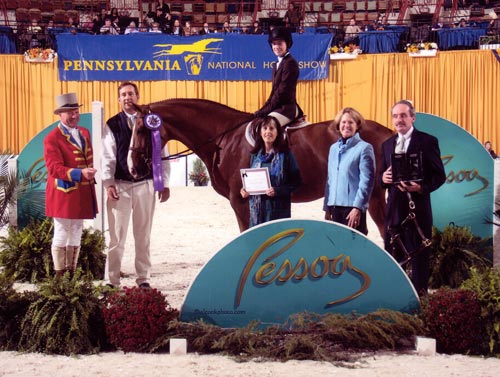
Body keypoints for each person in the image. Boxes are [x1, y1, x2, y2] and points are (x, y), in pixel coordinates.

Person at [101, 82, 171, 289]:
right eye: (123, 94)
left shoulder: (151, 122)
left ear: (137, 96)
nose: (127, 97)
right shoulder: (112, 124)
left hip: (145, 185)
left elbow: (162, 154)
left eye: (131, 93)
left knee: (143, 235)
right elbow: (107, 156)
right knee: (116, 238)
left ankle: (143, 278)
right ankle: (111, 280)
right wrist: (108, 183)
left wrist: (164, 182)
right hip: (120, 186)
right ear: (118, 99)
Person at [380, 100, 446, 296]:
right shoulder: (386, 145)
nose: (399, 120)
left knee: (419, 261)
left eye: (403, 115)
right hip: (393, 212)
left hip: (418, 211)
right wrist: (383, 178)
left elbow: (439, 176)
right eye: (395, 116)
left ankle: (420, 303)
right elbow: (382, 178)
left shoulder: (427, 141)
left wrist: (421, 187)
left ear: (412, 117)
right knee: (393, 259)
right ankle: (394, 302)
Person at [44, 92, 98, 277]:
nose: (74, 116)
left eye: (76, 111)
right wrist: (79, 173)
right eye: (69, 113)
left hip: (82, 190)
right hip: (63, 193)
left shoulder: (84, 132)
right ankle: (59, 276)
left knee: (76, 230)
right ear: (60, 114)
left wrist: (89, 172)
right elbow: (54, 169)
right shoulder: (52, 138)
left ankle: (71, 272)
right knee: (61, 231)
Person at [240, 117, 301, 227]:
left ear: (277, 133)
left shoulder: (286, 155)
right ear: (260, 132)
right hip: (257, 216)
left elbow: (297, 183)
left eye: (272, 128)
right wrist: (245, 190)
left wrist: (278, 190)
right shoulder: (254, 157)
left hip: (278, 213)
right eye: (265, 128)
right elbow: (250, 183)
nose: (268, 131)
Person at [323, 108, 376, 235]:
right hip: (334, 208)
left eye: (351, 122)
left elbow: (367, 182)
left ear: (357, 125)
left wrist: (358, 208)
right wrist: (327, 207)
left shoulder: (364, 148)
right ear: (338, 125)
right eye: (343, 122)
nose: (346, 125)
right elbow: (330, 180)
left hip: (352, 210)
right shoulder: (333, 148)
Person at [254, 27, 304, 128]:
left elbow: (282, 93)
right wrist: (262, 109)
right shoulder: (276, 64)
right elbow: (274, 93)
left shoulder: (290, 63)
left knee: (267, 127)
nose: (276, 46)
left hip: (287, 109)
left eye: (280, 43)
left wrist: (264, 111)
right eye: (274, 44)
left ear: (287, 44)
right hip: (279, 107)